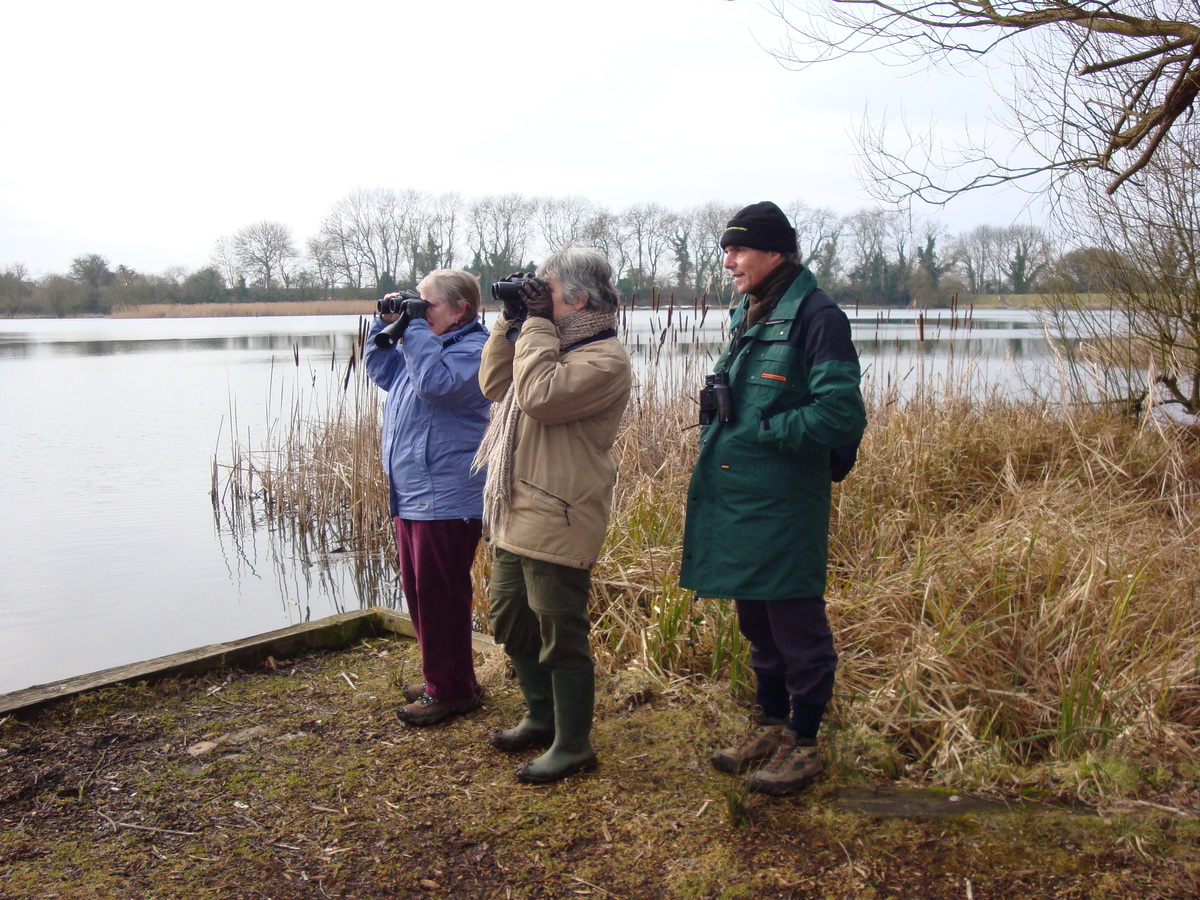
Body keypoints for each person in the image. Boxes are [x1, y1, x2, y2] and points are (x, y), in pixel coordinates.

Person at [680, 201, 866, 795]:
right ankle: (768, 725)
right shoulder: (751, 310)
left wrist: (762, 432)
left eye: (739, 250)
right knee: (756, 620)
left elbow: (840, 413)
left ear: (775, 253)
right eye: (727, 250)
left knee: (797, 626)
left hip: (784, 502)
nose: (729, 261)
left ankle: (805, 745)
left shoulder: (818, 316)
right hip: (740, 495)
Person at [475, 245, 632, 784]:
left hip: (561, 512)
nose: (542, 301)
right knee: (509, 617)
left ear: (580, 297)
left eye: (550, 293)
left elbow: (539, 396)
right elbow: (497, 387)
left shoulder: (604, 359)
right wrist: (512, 322)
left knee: (560, 631)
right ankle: (540, 714)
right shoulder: (544, 343)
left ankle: (573, 744)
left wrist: (536, 326)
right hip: (517, 505)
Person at [364, 268, 491, 726]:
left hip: (447, 496)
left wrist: (414, 329)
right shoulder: (425, 347)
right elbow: (381, 370)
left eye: (428, 304)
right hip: (414, 492)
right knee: (420, 593)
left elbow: (437, 386)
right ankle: (447, 675)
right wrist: (386, 322)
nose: (419, 311)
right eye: (417, 303)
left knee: (441, 596)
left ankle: (451, 690)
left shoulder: (477, 351)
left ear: (459, 309)